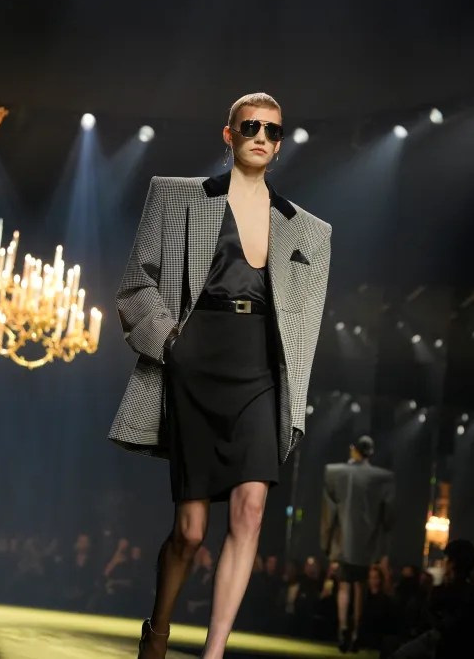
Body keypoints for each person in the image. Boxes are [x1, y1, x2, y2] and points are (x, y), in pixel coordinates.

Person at [109, 91, 332, 659]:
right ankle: (158, 630)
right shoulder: (176, 196)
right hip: (194, 361)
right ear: (229, 134)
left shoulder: (307, 231)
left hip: (261, 368)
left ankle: (214, 654)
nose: (261, 137)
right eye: (250, 126)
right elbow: (136, 284)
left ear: (279, 144)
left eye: (272, 130)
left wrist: (294, 396)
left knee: (251, 510)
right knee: (190, 531)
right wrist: (172, 344)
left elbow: (304, 325)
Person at [320, 435, 396, 652]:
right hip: (366, 542)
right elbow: (388, 516)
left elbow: (329, 513)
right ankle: (355, 633)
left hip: (343, 539)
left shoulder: (335, 472)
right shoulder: (383, 478)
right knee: (360, 587)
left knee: (344, 585)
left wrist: (327, 543)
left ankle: (343, 628)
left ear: (354, 449)